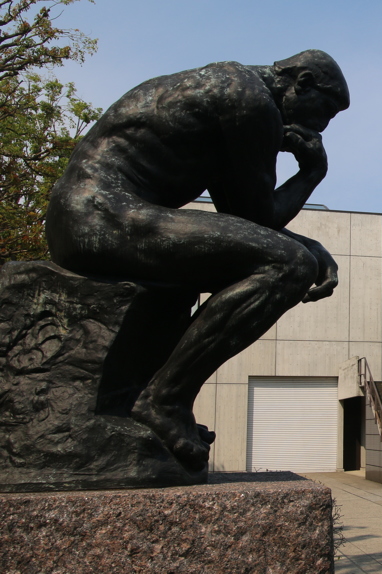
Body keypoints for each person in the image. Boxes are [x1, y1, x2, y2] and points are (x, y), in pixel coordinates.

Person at [45, 50, 350, 472]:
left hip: (90, 213)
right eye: (326, 110)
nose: (322, 125)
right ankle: (165, 400)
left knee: (290, 258)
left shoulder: (234, 90)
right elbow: (260, 218)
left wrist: (309, 245)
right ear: (302, 82)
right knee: (289, 267)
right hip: (99, 212)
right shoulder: (250, 100)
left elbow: (245, 220)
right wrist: (312, 173)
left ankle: (156, 396)